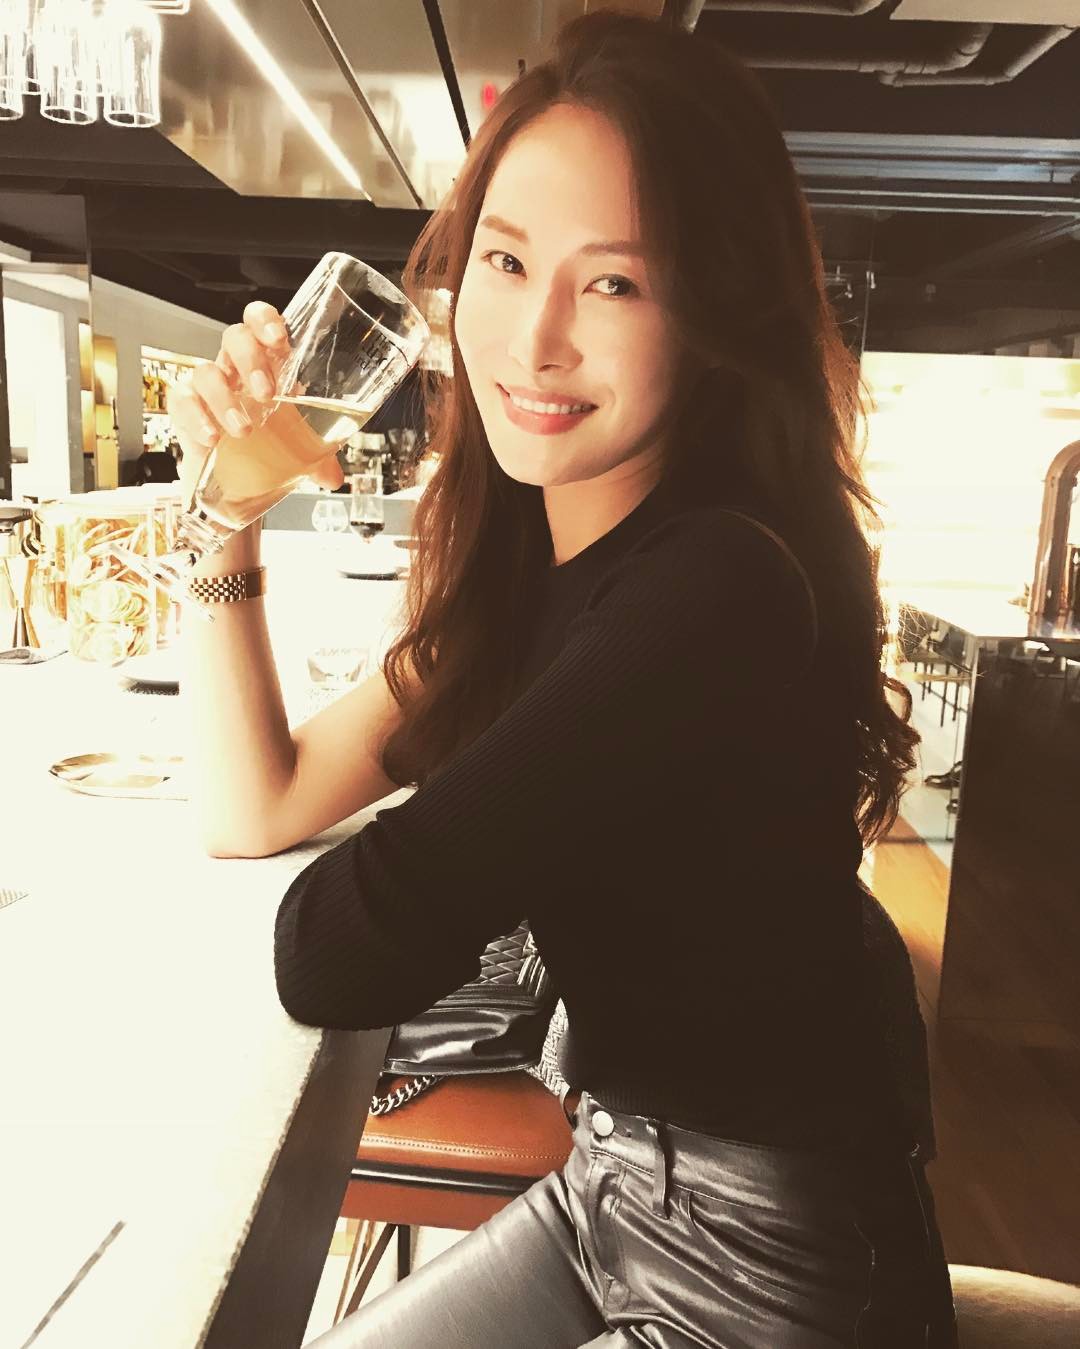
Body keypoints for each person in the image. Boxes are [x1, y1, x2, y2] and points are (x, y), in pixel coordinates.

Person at [168, 11, 958, 1347]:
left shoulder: (711, 591)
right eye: (506, 259)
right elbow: (257, 805)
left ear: (715, 317)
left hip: (783, 1269)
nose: (534, 339)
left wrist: (466, 821)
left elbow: (334, 950)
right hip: (608, 1185)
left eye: (616, 285)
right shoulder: (542, 567)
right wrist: (221, 522)